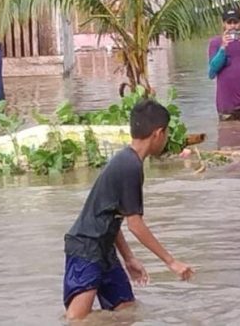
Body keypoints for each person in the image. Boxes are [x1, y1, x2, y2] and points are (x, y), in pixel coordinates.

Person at [63, 99, 194, 320]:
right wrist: (171, 262)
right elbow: (135, 224)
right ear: (158, 133)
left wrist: (129, 257)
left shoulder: (128, 161)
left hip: (104, 247)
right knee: (77, 319)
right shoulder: (130, 166)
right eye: (167, 132)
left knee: (126, 311)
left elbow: (111, 217)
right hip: (86, 247)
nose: (167, 137)